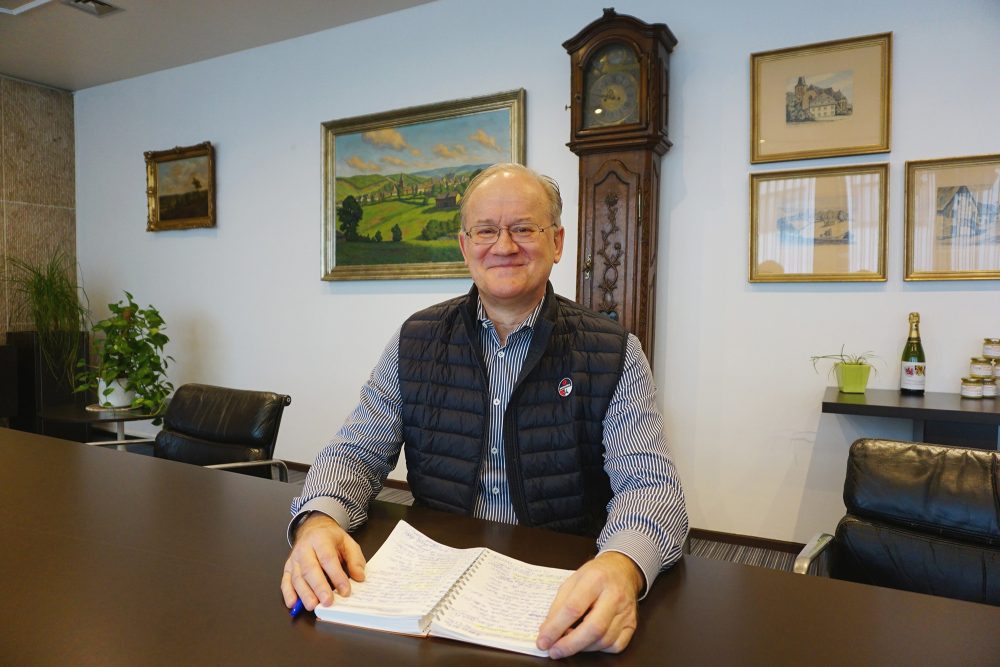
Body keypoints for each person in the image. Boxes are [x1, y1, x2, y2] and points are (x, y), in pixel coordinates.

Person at [280, 163, 688, 658]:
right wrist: (318, 520)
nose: (504, 246)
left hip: (558, 587)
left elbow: (650, 487)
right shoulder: (416, 338)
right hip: (432, 583)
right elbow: (355, 453)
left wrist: (623, 564)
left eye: (523, 229)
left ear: (557, 242)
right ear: (464, 245)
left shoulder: (613, 350)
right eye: (487, 231)